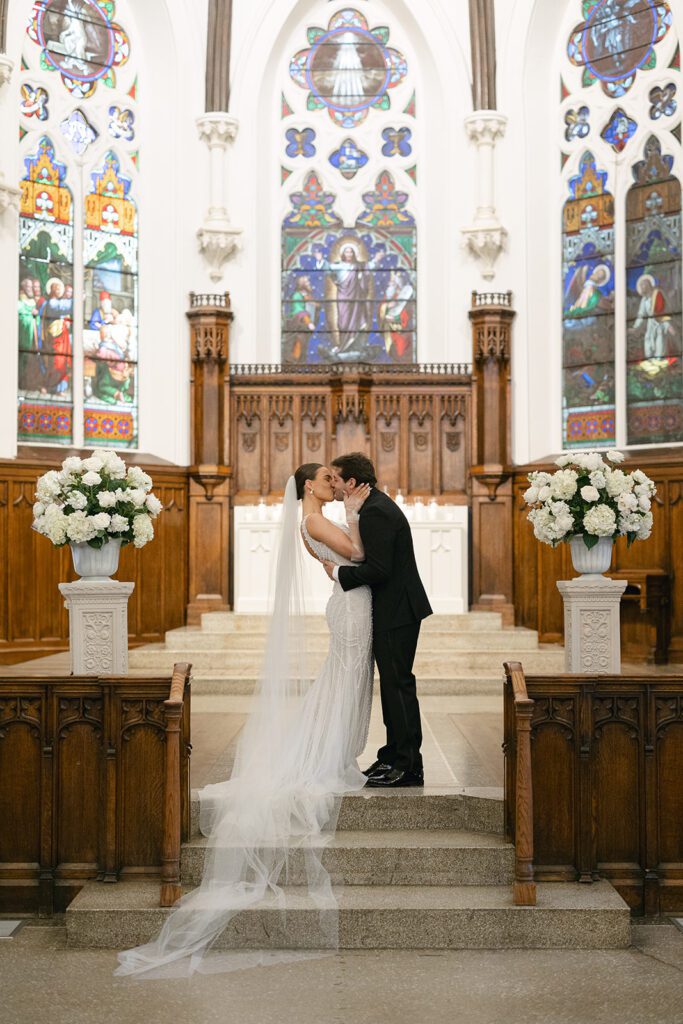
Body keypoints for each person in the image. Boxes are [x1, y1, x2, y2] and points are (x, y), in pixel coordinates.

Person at [115, 464, 373, 977]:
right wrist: (355, 514)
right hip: (351, 607)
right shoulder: (319, 519)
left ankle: (330, 751)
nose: (333, 480)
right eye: (325, 476)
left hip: (348, 602)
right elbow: (359, 555)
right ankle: (323, 757)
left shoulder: (313, 519)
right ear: (307, 486)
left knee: (342, 684)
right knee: (343, 684)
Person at [324, 452, 432, 787]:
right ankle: (391, 756)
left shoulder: (376, 512)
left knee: (398, 686)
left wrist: (338, 573)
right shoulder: (371, 507)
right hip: (394, 609)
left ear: (352, 482)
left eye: (337, 480)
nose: (335, 487)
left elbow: (380, 569)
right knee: (392, 686)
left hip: (397, 611)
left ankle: (408, 766)